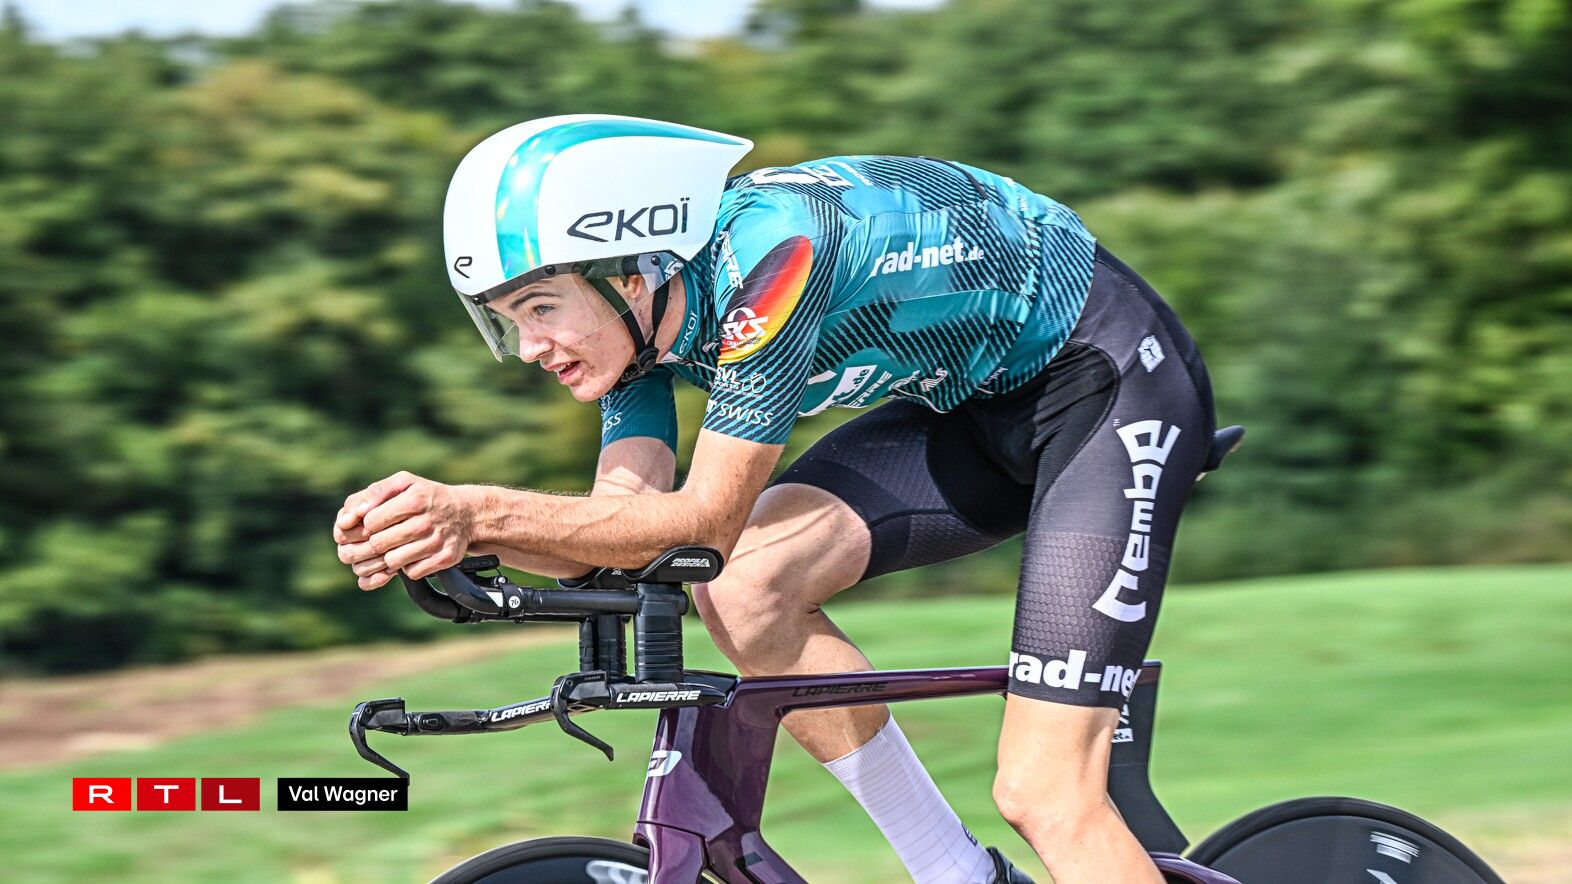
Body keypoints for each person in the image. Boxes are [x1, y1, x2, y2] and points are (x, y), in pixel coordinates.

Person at [334, 115, 1215, 884]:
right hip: (972, 405)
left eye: (538, 308)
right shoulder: (636, 332)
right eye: (505, 319)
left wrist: (483, 513)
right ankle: (957, 875)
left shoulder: (774, 257)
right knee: (750, 589)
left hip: (1105, 383)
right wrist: (448, 537)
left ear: (628, 273)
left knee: (1044, 792)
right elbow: (620, 535)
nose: (529, 346)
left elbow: (702, 524)